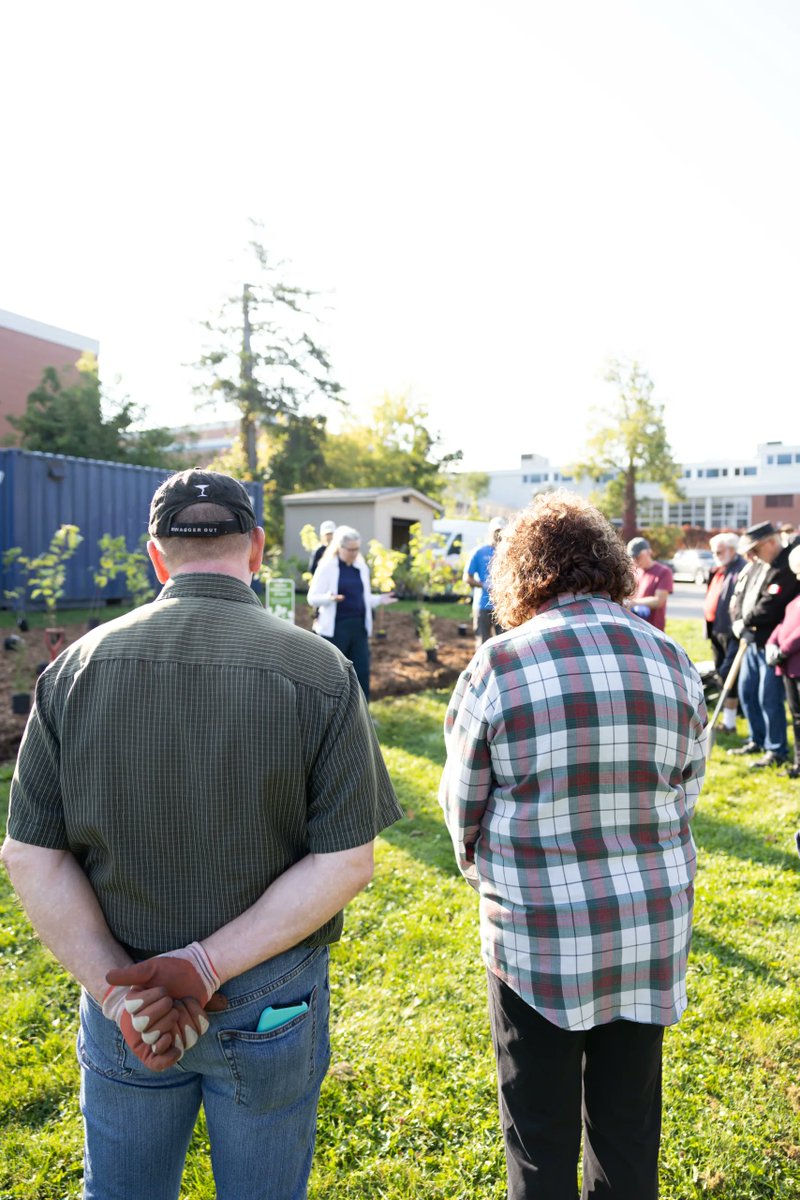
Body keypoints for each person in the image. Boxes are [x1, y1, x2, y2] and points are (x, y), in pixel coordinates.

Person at [1, 468, 402, 1200]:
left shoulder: (72, 672)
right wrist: (206, 966)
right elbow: (345, 861)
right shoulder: (321, 671)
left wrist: (123, 997)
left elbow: (30, 856)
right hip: (268, 998)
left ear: (156, 556)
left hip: (124, 990)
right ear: (255, 550)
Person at [439, 492, 707, 1200]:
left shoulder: (499, 664)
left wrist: (486, 870)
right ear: (609, 565)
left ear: (521, 574)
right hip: (647, 929)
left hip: (538, 937)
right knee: (628, 1127)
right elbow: (686, 791)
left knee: (538, 1134)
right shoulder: (673, 659)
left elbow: (461, 806)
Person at [727, 521, 800, 768]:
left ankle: (776, 749)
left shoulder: (787, 567)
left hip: (769, 642)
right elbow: (741, 596)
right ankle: (756, 738)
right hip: (749, 641)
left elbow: (771, 605)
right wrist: (738, 622)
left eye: (757, 549)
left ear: (771, 542)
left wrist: (746, 622)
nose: (753, 555)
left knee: (768, 697)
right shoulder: (759, 565)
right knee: (748, 693)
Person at [307, 524, 395, 701]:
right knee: (335, 674)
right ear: (339, 547)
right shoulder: (326, 567)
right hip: (335, 629)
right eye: (351, 550)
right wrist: (330, 598)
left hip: (358, 627)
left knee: (361, 672)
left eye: (357, 549)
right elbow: (312, 598)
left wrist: (379, 600)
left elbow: (364, 597)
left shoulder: (361, 567)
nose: (355, 553)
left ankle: (363, 717)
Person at [705, 532, 746, 733]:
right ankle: (728, 721)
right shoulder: (718, 569)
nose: (715, 554)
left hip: (731, 632)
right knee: (721, 672)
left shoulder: (741, 569)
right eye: (713, 551)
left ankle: (731, 720)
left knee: (728, 674)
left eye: (719, 551)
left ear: (732, 549)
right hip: (716, 630)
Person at [766, 544, 800, 779]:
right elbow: (783, 623)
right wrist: (771, 642)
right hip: (789, 665)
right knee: (796, 717)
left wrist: (784, 649)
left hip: (794, 661)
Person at [464, 516, 507, 648]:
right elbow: (467, 577)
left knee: (504, 645)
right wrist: (483, 584)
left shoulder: (508, 552)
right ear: (491, 532)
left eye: (501, 531)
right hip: (482, 605)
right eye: (496, 531)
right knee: (483, 644)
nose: (498, 535)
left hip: (503, 607)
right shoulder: (479, 552)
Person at [624, 536, 673, 629]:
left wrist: (632, 603)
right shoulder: (635, 572)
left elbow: (659, 601)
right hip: (636, 626)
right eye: (632, 557)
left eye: (638, 556)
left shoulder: (664, 572)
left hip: (654, 628)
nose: (635, 560)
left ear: (649, 552)